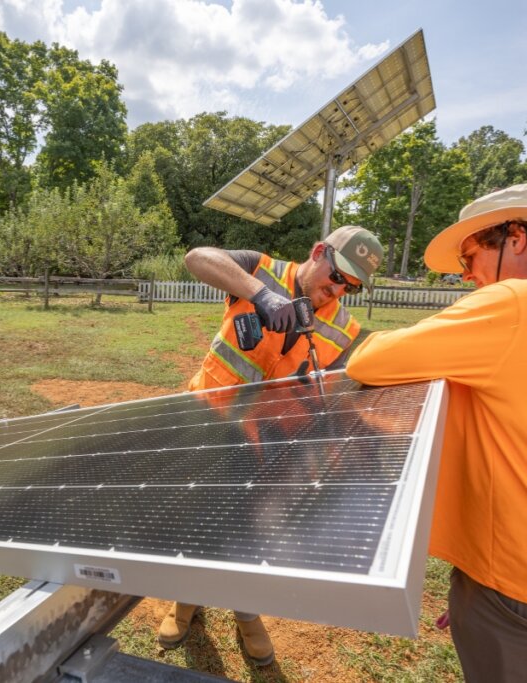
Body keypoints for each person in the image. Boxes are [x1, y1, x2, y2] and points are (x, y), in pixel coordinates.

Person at [347, 181, 527, 682]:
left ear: (519, 238)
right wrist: (480, 591)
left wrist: (501, 605)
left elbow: (370, 358)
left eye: (471, 254)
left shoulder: (520, 304)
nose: (467, 274)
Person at [159, 226, 384, 665]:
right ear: (319, 251)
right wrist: (261, 295)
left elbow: (335, 395)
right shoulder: (260, 268)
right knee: (195, 520)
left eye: (349, 286)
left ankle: (247, 615)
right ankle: (186, 602)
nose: (336, 289)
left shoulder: (343, 327)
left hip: (264, 443)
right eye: (336, 275)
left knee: (248, 530)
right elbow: (197, 257)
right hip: (204, 422)